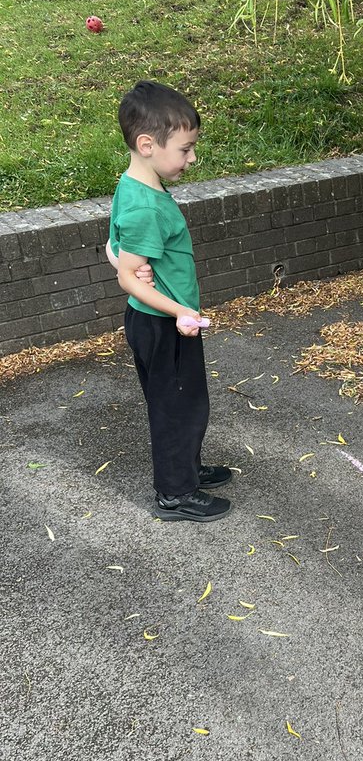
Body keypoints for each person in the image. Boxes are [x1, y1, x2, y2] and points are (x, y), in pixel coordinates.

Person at [106, 80, 232, 521]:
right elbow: (128, 277)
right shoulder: (146, 205)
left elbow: (116, 246)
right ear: (147, 144)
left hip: (163, 321)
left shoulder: (135, 186)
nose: (192, 158)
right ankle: (175, 493)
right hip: (164, 325)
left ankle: (188, 470)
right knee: (177, 407)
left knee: (185, 401)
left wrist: (124, 261)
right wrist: (179, 310)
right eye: (185, 149)